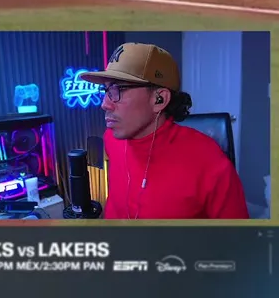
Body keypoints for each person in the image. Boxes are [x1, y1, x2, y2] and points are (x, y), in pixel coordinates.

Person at [79, 43, 249, 220]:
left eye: (117, 90)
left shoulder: (210, 162)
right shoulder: (111, 139)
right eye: (106, 90)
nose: (104, 104)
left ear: (159, 99)